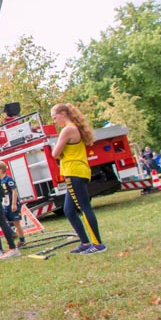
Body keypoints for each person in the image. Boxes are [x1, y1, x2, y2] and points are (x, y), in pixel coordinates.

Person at [51, 103, 106, 254]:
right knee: (68, 210)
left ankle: (98, 244)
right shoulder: (74, 127)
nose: (54, 121)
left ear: (63, 114)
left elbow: (55, 153)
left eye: (55, 117)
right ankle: (85, 242)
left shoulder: (67, 130)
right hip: (78, 171)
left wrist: (58, 150)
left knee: (84, 207)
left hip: (74, 171)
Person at [0, 161, 25, 247]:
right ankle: (12, 233)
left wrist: (14, 204)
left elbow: (14, 191)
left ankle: (22, 240)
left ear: (0, 170)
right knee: (2, 219)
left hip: (12, 204)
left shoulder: (8, 179)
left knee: (16, 223)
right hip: (5, 205)